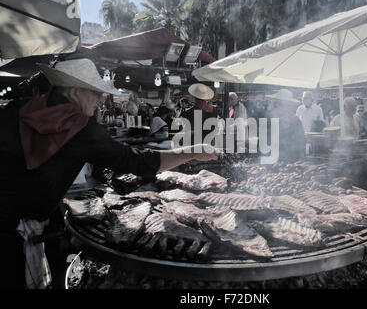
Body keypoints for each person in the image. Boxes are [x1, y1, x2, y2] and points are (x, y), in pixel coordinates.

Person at [0, 59, 219, 289]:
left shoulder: (22, 106)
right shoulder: (78, 127)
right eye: (95, 93)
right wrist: (192, 152)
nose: (101, 99)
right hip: (13, 229)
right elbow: (137, 162)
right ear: (75, 92)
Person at [266, 89, 306, 162]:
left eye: (282, 104)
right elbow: (267, 141)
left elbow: (301, 143)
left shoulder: (295, 121)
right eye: (277, 104)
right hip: (272, 160)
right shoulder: (270, 120)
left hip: (292, 160)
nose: (277, 106)